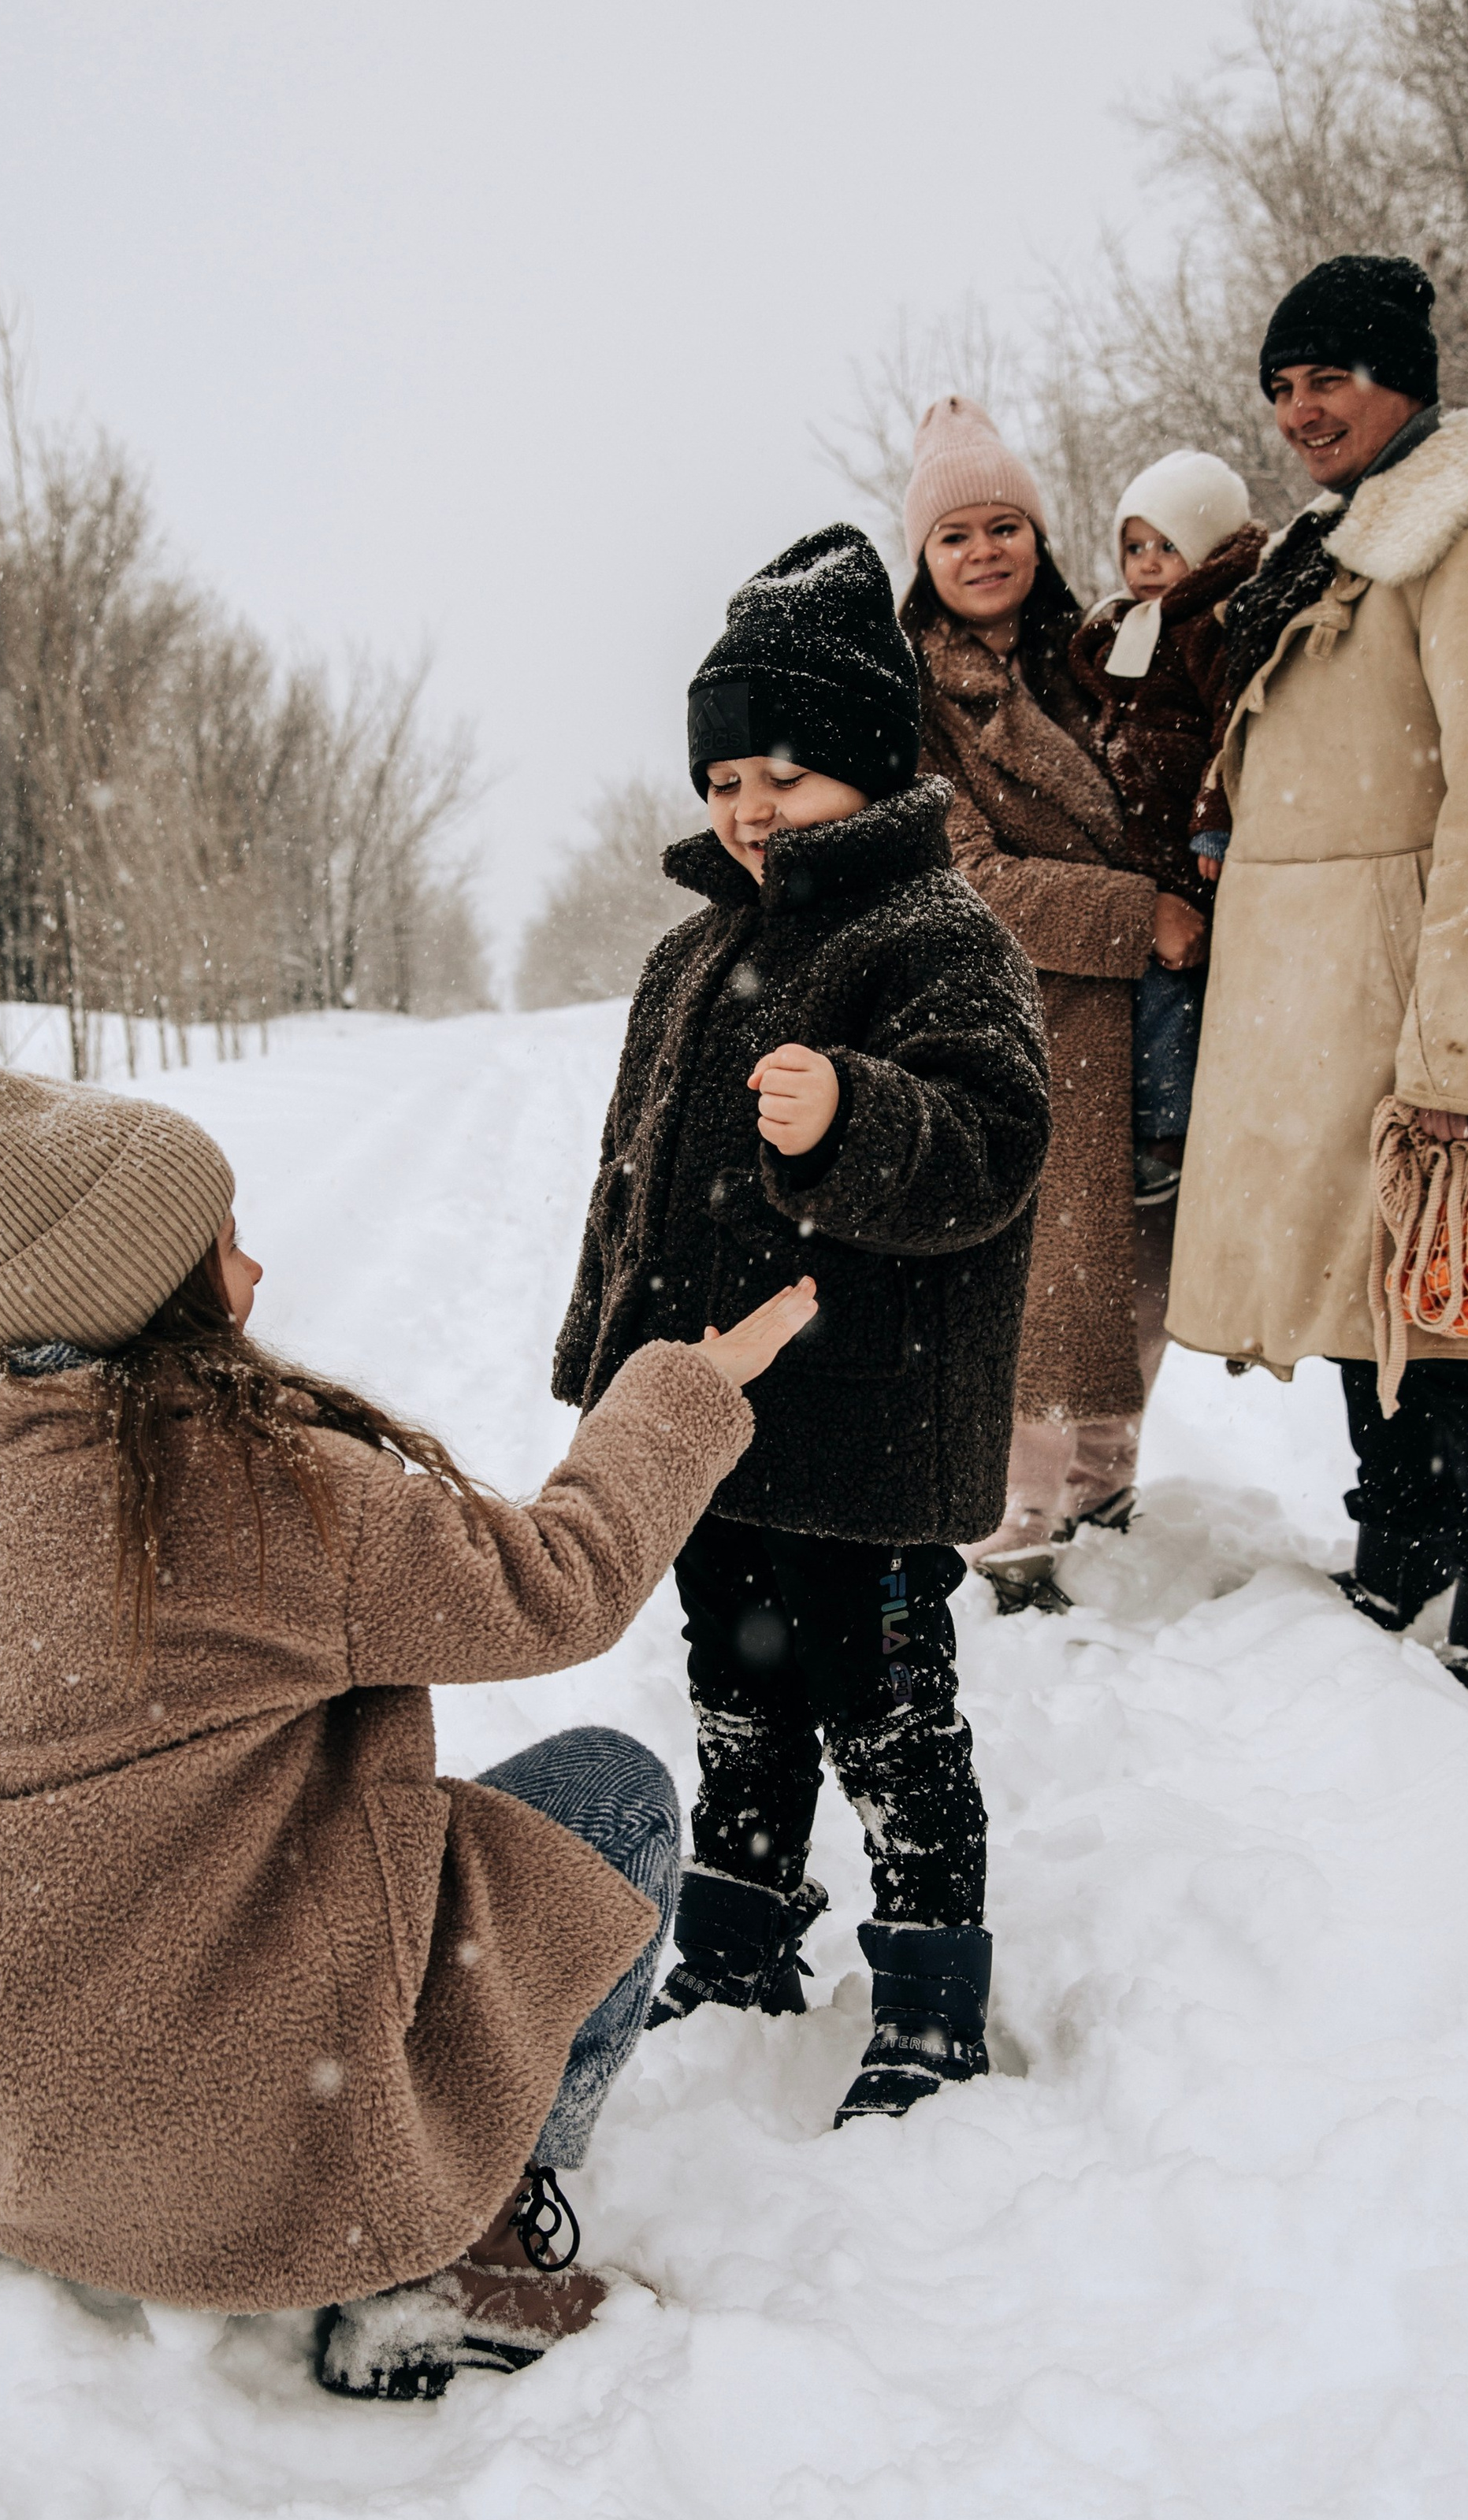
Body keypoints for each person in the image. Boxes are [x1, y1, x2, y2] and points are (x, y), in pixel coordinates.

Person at [0, 1026, 816, 2403]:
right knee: (610, 1791)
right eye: (226, 1242)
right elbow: (563, 1588)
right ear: (154, 1287)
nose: (255, 1269)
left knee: (204, 1859)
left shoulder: (6, 1483)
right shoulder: (268, 1486)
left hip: (24, 2099)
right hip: (245, 2126)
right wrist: (685, 1390)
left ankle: (51, 2197)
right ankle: (449, 2256)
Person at [552, 522, 1050, 2125]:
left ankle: (927, 1986)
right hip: (711, 1414)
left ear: (861, 767)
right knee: (734, 1673)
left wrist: (850, 1112)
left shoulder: (933, 934)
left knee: (882, 1696)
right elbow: (633, 1179)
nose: (750, 809)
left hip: (866, 1409)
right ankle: (743, 1929)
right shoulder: (688, 955)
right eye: (722, 782)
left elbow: (990, 1138)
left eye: (784, 773)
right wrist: (610, 1369)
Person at [1165, 254, 1468, 1687]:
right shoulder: (1336, 539)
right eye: (1283, 388)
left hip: (1423, 983)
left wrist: (1460, 1057)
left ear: (1404, 378)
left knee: (1462, 1302)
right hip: (1322, 997)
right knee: (1376, 1291)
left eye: (1329, 379)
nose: (1302, 410)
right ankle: (1400, 1542)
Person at [899, 397, 1194, 1603]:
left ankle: (1107, 1478)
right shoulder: (915, 697)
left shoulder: (1111, 652)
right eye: (955, 533)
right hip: (1033, 1023)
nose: (984, 551)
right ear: (922, 559)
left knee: (1150, 1268)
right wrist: (1142, 914)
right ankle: (1018, 1517)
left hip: (1160, 1022)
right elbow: (968, 877)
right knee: (1040, 1286)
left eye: (1004, 524)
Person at [1069, 451, 1265, 1199]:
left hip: (1186, 840)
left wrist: (1213, 820)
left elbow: (1232, 726)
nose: (1147, 565)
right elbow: (1100, 686)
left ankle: (1164, 1129)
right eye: (1134, 547)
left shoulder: (1211, 625)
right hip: (1138, 837)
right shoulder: (1129, 621)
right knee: (1145, 983)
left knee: (1169, 985)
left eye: (1167, 546)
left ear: (1209, 546)